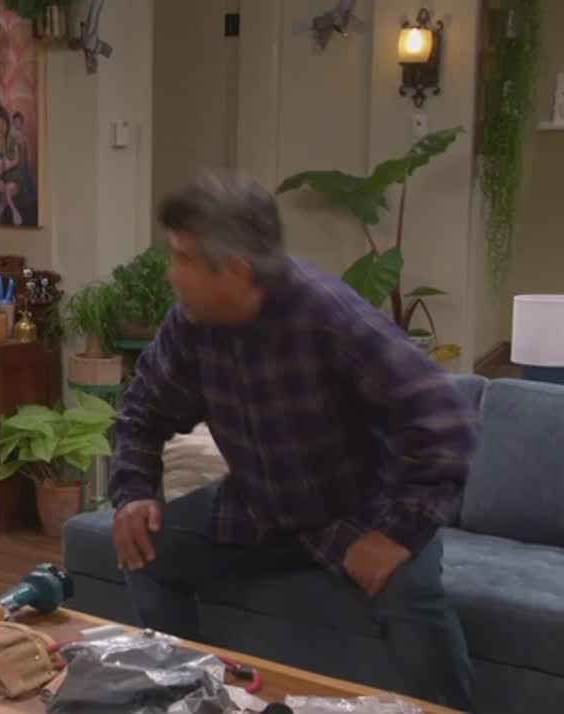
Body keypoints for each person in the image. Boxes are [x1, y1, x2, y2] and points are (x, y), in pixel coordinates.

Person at [111, 172, 477, 709]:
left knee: (414, 608)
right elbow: (143, 407)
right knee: (145, 550)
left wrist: (398, 534)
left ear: (235, 270)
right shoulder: (192, 323)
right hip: (258, 506)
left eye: (183, 258)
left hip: (362, 512)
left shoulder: (329, 316)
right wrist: (135, 491)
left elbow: (444, 416)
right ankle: (192, 698)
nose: (171, 273)